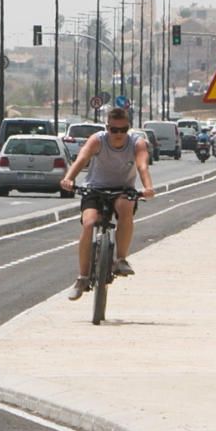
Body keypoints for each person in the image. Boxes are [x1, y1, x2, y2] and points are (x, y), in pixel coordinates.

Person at [60, 108, 155, 301]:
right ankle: (83, 277)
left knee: (126, 207)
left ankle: (120, 259)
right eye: (114, 130)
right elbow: (82, 159)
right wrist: (68, 179)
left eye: (123, 129)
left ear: (128, 128)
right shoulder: (97, 140)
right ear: (107, 128)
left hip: (122, 189)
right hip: (95, 188)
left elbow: (142, 165)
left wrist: (148, 187)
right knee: (89, 223)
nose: (119, 134)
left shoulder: (137, 143)